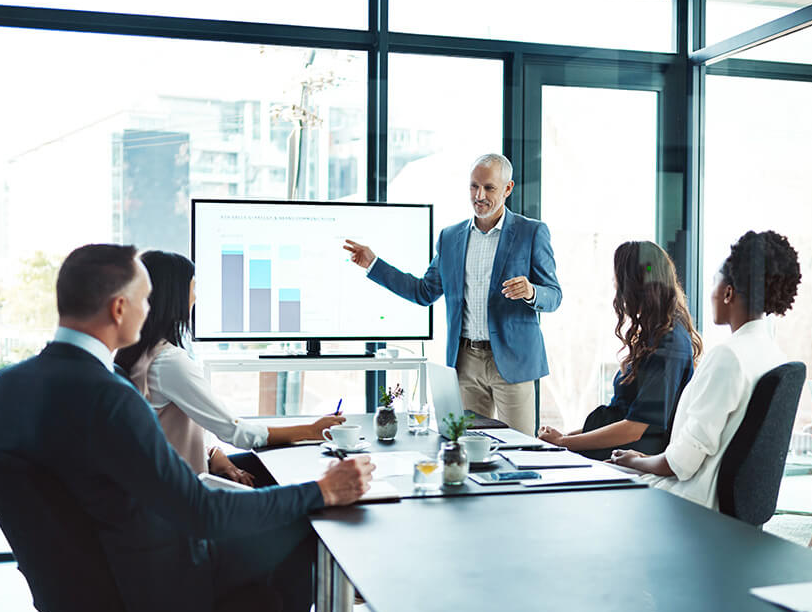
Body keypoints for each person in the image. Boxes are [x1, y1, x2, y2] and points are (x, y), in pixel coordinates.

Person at [0, 244, 374, 612]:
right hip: (152, 586)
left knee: (275, 511)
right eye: (145, 300)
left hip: (79, 586)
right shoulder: (110, 398)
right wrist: (321, 490)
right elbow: (201, 512)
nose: (150, 311)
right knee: (306, 526)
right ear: (119, 307)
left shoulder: (7, 385)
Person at [344, 153, 561, 435]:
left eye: (489, 188)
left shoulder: (531, 233)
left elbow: (554, 295)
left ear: (508, 189)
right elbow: (424, 292)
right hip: (465, 362)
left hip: (513, 362)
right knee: (467, 447)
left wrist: (532, 291)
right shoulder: (450, 237)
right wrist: (374, 263)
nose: (479, 195)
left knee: (519, 449)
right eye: (474, 186)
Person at [114, 250, 344, 487]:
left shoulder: (137, 354)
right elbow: (237, 433)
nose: (196, 297)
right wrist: (312, 431)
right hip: (185, 494)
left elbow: (165, 431)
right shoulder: (169, 362)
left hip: (165, 481)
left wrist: (213, 453)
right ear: (176, 296)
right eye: (193, 288)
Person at [609, 230, 801, 509]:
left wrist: (636, 461)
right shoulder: (773, 354)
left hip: (689, 502)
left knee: (591, 483)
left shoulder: (729, 357)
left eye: (714, 282)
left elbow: (681, 463)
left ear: (727, 292)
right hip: (717, 502)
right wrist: (639, 461)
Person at [536, 241, 702, 461]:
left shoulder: (669, 343)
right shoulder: (656, 334)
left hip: (630, 455)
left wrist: (564, 443)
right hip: (618, 449)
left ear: (634, 286)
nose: (616, 288)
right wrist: (563, 438)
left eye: (619, 281)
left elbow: (634, 428)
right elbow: (622, 416)